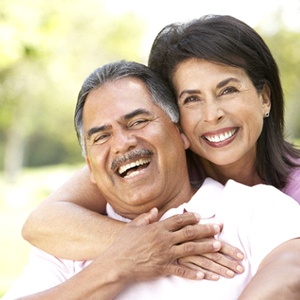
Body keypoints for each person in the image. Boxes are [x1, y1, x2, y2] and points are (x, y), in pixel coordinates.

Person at [22, 14, 300, 276]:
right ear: (173, 118)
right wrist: (155, 245)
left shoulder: (286, 194)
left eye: (227, 90)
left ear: (264, 98)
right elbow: (42, 222)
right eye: (191, 99)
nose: (212, 114)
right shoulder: (159, 163)